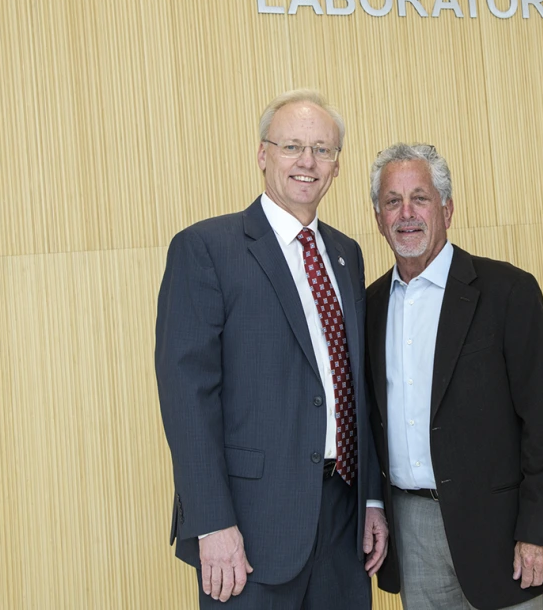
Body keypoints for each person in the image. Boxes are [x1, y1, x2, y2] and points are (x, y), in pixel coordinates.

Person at [155, 90, 388, 609]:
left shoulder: (347, 255)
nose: (307, 162)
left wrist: (372, 497)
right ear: (264, 155)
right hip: (250, 529)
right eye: (292, 146)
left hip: (342, 523)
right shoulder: (207, 249)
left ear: (335, 167)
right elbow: (186, 398)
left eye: (322, 150)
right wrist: (212, 522)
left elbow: (358, 386)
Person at [365, 142, 543, 610]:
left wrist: (540, 530)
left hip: (501, 530)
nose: (406, 213)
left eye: (419, 197)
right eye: (392, 201)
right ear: (378, 218)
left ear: (447, 208)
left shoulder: (508, 292)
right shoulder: (368, 307)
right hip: (412, 526)